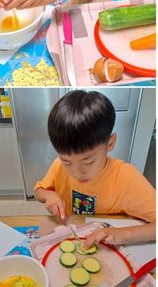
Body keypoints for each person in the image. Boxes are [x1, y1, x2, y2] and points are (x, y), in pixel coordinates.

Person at [34, 90, 155, 248]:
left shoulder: (126, 177)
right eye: (67, 162)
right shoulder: (58, 166)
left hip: (110, 248)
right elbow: (38, 191)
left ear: (110, 143)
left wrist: (123, 234)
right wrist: (49, 196)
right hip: (73, 236)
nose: (76, 172)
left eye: (89, 161)